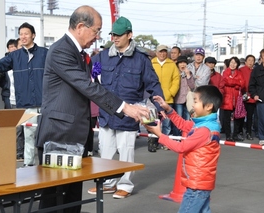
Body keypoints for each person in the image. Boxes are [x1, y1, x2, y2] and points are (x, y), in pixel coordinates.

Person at [35, 6, 150, 212]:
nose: (97, 37)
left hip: (74, 135)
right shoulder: (61, 50)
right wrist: (125, 108)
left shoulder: (79, 53)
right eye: (96, 31)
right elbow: (88, 87)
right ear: (80, 27)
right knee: (54, 199)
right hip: (58, 135)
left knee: (71, 198)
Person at [87, 16, 164, 198]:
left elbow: (153, 84)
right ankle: (107, 182)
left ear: (130, 35)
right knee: (105, 151)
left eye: (119, 35)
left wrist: (160, 107)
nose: (115, 38)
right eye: (113, 34)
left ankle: (125, 185)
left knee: (126, 152)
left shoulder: (141, 59)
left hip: (129, 114)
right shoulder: (102, 56)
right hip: (106, 113)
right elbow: (91, 79)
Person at [143, 85, 223, 213]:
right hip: (202, 183)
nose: (192, 105)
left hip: (196, 184)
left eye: (196, 101)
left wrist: (160, 135)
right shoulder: (206, 125)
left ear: (208, 106)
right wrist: (169, 109)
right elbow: (183, 125)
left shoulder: (204, 130)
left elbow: (181, 147)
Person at [0, 22, 48, 166]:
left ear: (33, 35)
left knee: (46, 137)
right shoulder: (15, 56)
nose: (23, 37)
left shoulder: (44, 53)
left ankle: (46, 166)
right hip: (26, 103)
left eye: (26, 33)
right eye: (21, 34)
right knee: (29, 136)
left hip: (45, 103)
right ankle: (29, 165)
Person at [151, 44, 180, 150]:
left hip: (167, 98)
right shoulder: (151, 63)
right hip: (153, 98)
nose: (162, 54)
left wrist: (171, 92)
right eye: (160, 51)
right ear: (156, 52)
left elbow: (176, 80)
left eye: (164, 52)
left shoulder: (172, 64)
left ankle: (165, 143)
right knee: (153, 121)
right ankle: (153, 142)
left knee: (167, 123)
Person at [221, 56, 245, 142]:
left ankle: (235, 134)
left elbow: (242, 84)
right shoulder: (225, 72)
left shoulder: (239, 73)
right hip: (227, 98)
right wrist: (236, 83)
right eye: (231, 62)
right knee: (226, 119)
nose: (233, 64)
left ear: (237, 64)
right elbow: (226, 81)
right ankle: (228, 135)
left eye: (235, 63)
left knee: (237, 118)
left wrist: (232, 82)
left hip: (236, 98)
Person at [172, 55, 191, 136]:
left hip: (187, 100)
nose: (182, 65)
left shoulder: (189, 73)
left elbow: (193, 86)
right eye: (181, 63)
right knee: (178, 119)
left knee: (187, 120)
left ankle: (185, 137)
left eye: (184, 63)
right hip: (178, 99)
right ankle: (176, 136)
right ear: (178, 64)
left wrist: (188, 75)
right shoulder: (175, 73)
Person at [239, 54, 256, 140]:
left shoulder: (256, 71)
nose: (250, 62)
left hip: (252, 97)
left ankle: (249, 132)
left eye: (252, 60)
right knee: (241, 115)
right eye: (249, 60)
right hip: (243, 95)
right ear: (245, 61)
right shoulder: (240, 70)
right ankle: (240, 131)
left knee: (250, 116)